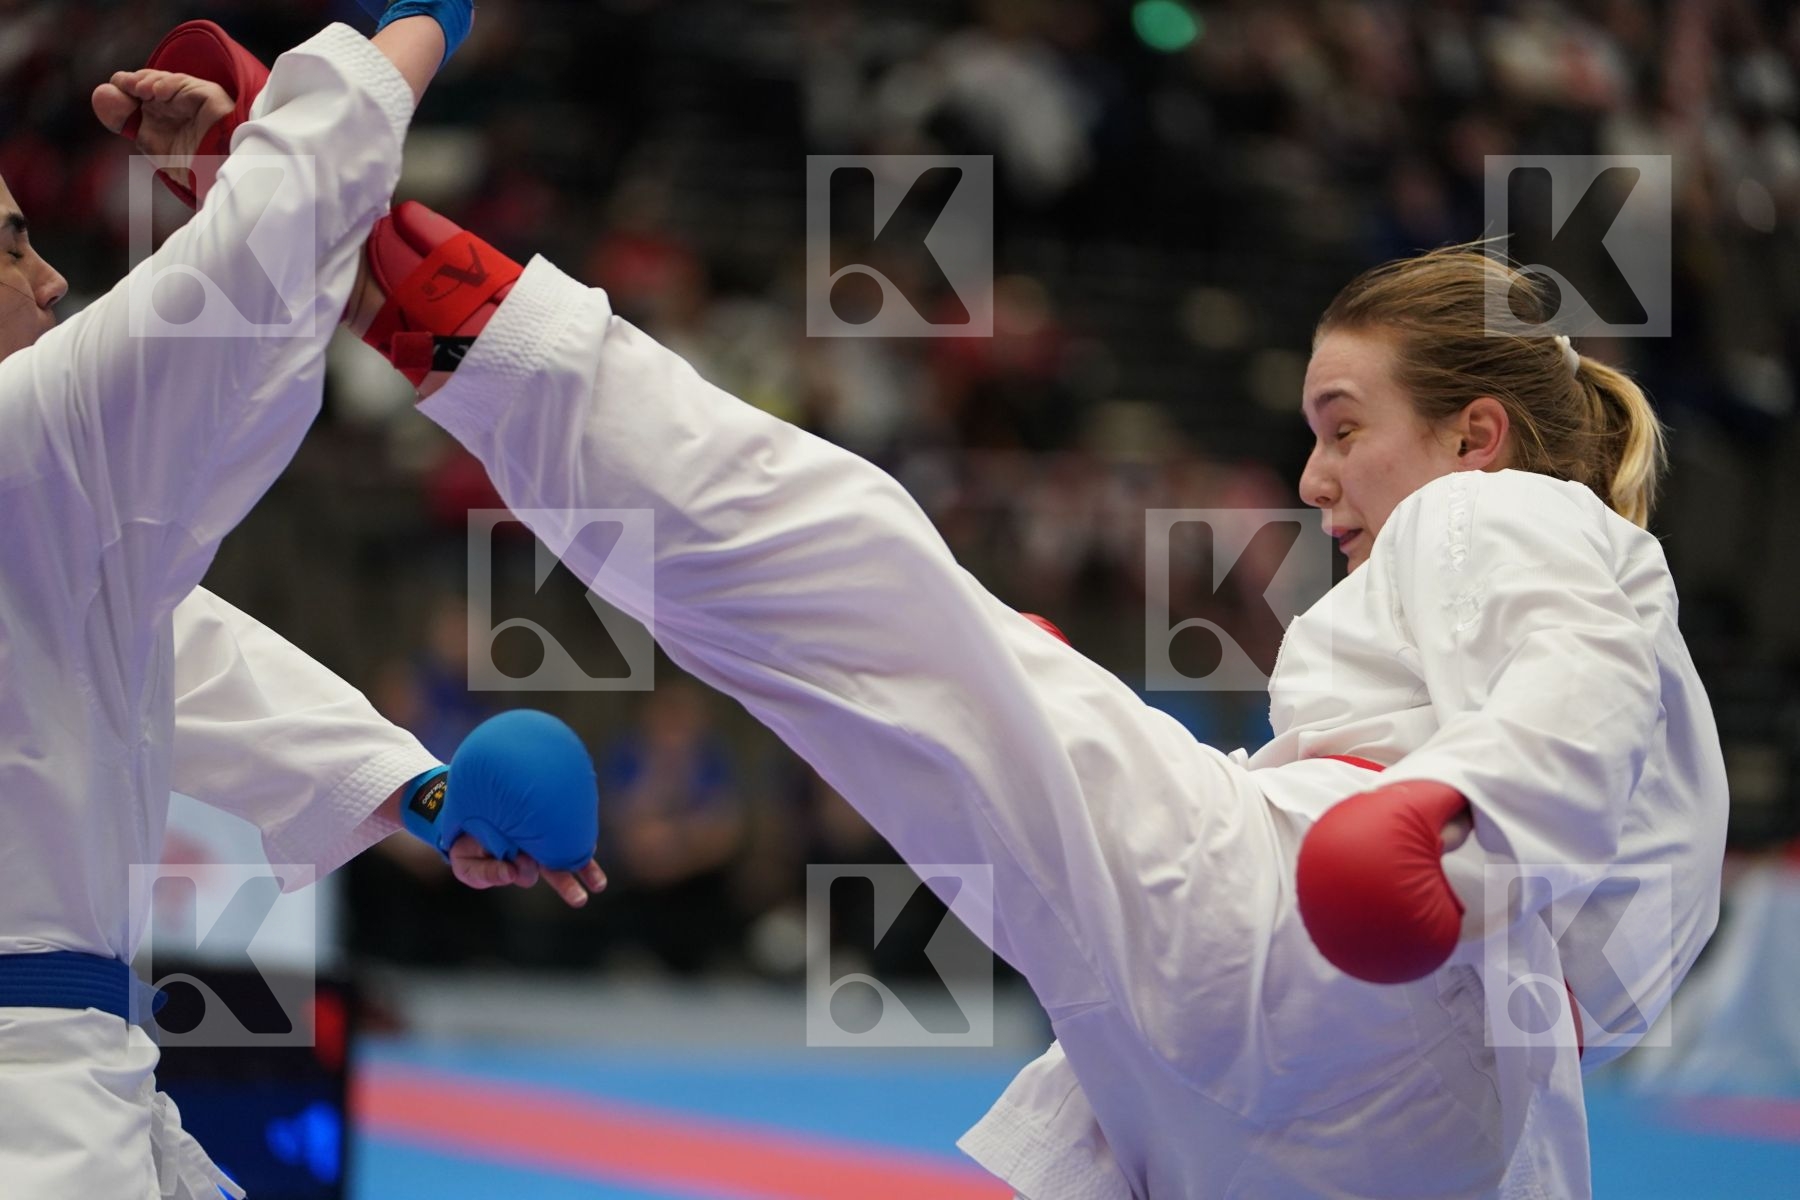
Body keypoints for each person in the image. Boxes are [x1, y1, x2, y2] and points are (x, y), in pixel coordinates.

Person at [288, 72, 1721, 1194]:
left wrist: (1454, 811)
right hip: (1390, 1111)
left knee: (869, 590)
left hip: (1301, 946)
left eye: (1343, 429)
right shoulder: (1555, 626)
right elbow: (1631, 930)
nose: (1312, 478)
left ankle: (436, 301)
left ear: (1475, 434)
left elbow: (1572, 697)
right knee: (930, 652)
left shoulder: (1505, 519)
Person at [0, 8, 602, 1198]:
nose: (50, 274)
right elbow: (254, 261)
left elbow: (164, 652)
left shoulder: (46, 540)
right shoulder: (26, 441)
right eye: (10, 245)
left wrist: (416, 792)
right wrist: (411, 31)